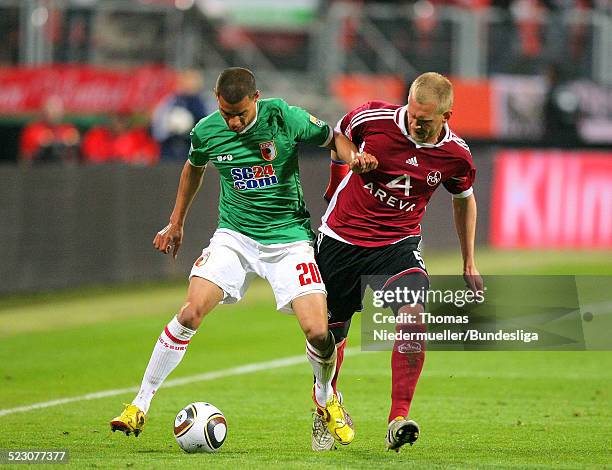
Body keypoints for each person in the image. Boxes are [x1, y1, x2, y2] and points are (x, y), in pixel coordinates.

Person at [110, 67, 377, 446]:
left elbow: (333, 138)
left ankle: (325, 398)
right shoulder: (206, 130)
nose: (233, 122)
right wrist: (176, 222)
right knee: (190, 312)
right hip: (234, 237)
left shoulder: (283, 116)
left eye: (240, 114)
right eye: (226, 113)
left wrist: (355, 158)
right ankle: (139, 405)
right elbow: (194, 166)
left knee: (319, 332)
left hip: (288, 240)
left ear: (256, 98)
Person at [311, 72, 484, 452]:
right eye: (412, 113)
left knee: (412, 315)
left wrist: (468, 260)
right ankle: (325, 406)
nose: (415, 123)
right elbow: (337, 136)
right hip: (342, 238)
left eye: (425, 120)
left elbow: (464, 199)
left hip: (397, 244)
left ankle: (398, 418)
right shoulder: (372, 119)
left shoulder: (456, 155)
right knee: (330, 334)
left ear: (447, 115)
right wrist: (349, 164)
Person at [19, 95, 80, 164]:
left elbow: (75, 154)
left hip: (64, 170)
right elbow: (25, 157)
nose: (53, 113)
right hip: (39, 169)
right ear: (43, 112)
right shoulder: (32, 130)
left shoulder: (69, 129)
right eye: (50, 110)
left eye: (56, 110)